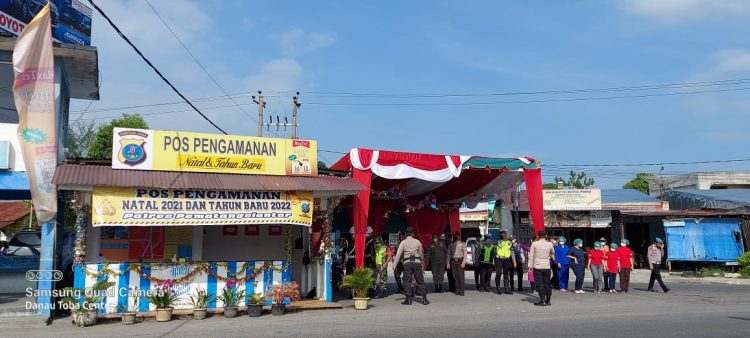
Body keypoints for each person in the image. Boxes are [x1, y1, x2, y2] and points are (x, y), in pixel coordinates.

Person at [392, 227, 429, 305]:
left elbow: (398, 254)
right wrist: (422, 262)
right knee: (420, 280)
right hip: (417, 262)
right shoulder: (418, 242)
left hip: (407, 263)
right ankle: (424, 299)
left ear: (406, 234)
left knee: (407, 281)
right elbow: (421, 254)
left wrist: (394, 264)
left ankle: (408, 299)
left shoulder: (403, 242)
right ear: (413, 233)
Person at [529, 230, 555, 306]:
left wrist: (530, 266)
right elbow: (552, 253)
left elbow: (531, 255)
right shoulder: (550, 244)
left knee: (539, 283)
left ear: (538, 236)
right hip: (546, 265)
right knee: (547, 283)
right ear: (546, 236)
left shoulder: (534, 244)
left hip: (538, 265)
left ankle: (542, 300)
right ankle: (548, 300)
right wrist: (555, 261)